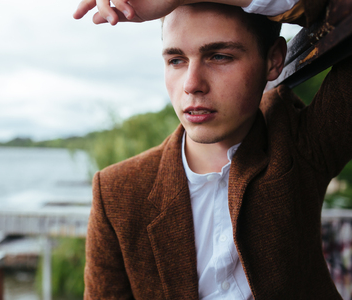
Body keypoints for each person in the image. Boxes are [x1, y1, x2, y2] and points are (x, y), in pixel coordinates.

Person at [74, 0, 352, 299]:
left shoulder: (300, 143)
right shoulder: (117, 192)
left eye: (219, 56)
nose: (192, 84)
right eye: (176, 60)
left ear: (273, 60)